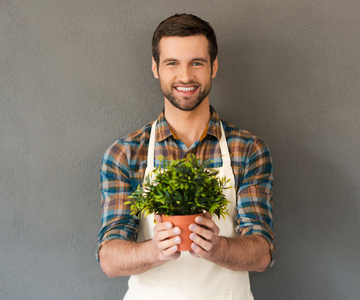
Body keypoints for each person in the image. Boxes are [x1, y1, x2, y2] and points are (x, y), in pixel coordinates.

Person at [97, 13, 274, 300]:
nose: (185, 76)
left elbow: (262, 252)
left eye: (197, 63)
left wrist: (218, 247)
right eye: (172, 63)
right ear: (155, 68)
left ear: (213, 67)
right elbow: (110, 258)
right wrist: (154, 250)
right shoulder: (126, 154)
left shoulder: (247, 149)